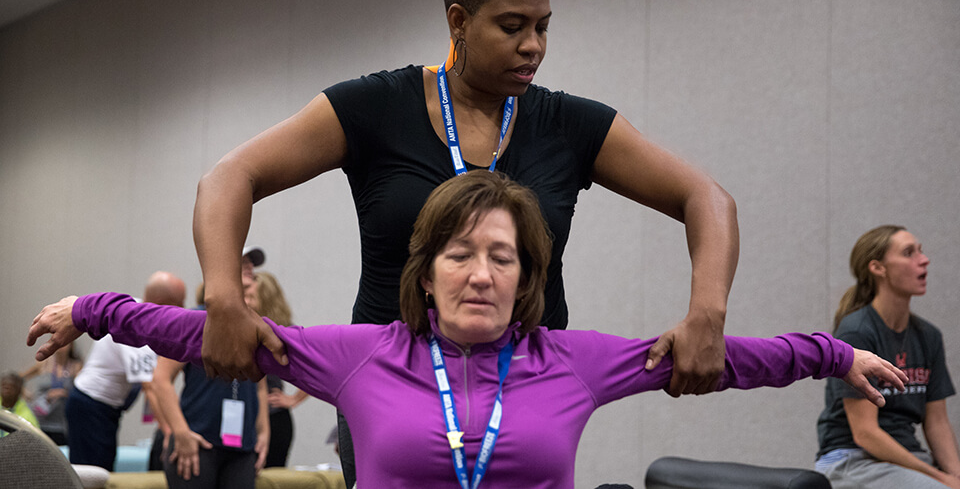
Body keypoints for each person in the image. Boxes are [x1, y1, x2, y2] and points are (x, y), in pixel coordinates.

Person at [193, 0, 737, 483]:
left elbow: (706, 198)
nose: (533, 46)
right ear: (459, 20)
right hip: (393, 381)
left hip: (522, 386)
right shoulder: (377, 107)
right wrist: (222, 299)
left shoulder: (567, 124)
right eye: (512, 26)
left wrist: (706, 314)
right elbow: (229, 177)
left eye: (543, 28)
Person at [30, 171, 906, 488]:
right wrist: (91, 309)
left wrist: (835, 352)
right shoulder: (363, 353)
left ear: (528, 277)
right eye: (459, 253)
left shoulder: (576, 362)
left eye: (502, 256)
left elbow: (726, 361)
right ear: (426, 271)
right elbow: (201, 328)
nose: (481, 272)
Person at [815, 226, 960, 489]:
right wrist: (940, 478)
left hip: (907, 459)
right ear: (877, 268)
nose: (924, 259)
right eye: (908, 253)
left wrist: (956, 476)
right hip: (851, 459)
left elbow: (937, 422)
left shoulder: (929, 336)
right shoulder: (856, 331)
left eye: (921, 251)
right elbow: (865, 434)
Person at [144, 262, 269, 489]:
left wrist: (264, 432)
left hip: (242, 449)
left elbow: (260, 384)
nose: (249, 267)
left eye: (252, 264)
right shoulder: (197, 320)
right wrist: (179, 432)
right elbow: (160, 380)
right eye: (242, 262)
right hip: (196, 443)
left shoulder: (256, 325)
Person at [64, 271, 185, 470]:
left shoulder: (137, 312)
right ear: (163, 303)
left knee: (103, 466)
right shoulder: (134, 324)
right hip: (91, 406)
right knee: (94, 472)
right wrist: (170, 433)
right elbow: (152, 386)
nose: (182, 310)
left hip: (105, 408)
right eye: (179, 303)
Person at [248, 271, 309, 468]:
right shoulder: (246, 329)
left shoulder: (286, 334)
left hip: (274, 418)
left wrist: (293, 399)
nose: (245, 301)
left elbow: (312, 369)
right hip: (250, 414)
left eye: (250, 296)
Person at [20, 341, 82, 445]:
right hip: (41, 419)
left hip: (62, 423)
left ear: (71, 346)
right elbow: (19, 378)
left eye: (65, 343)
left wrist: (65, 394)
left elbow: (81, 390)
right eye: (57, 343)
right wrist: (30, 397)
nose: (61, 346)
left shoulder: (75, 366)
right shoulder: (44, 364)